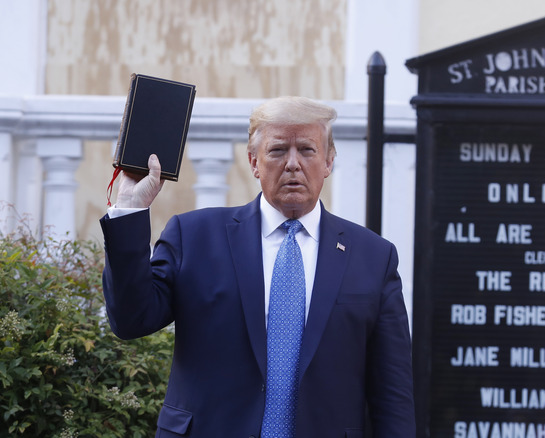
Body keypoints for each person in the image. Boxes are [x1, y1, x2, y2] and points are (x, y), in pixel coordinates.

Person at [100, 96, 415, 437]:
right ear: (254, 162)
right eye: (278, 150)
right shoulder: (194, 237)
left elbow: (393, 394)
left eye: (307, 150)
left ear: (329, 161)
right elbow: (131, 320)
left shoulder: (373, 256)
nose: (292, 164)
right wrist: (131, 209)